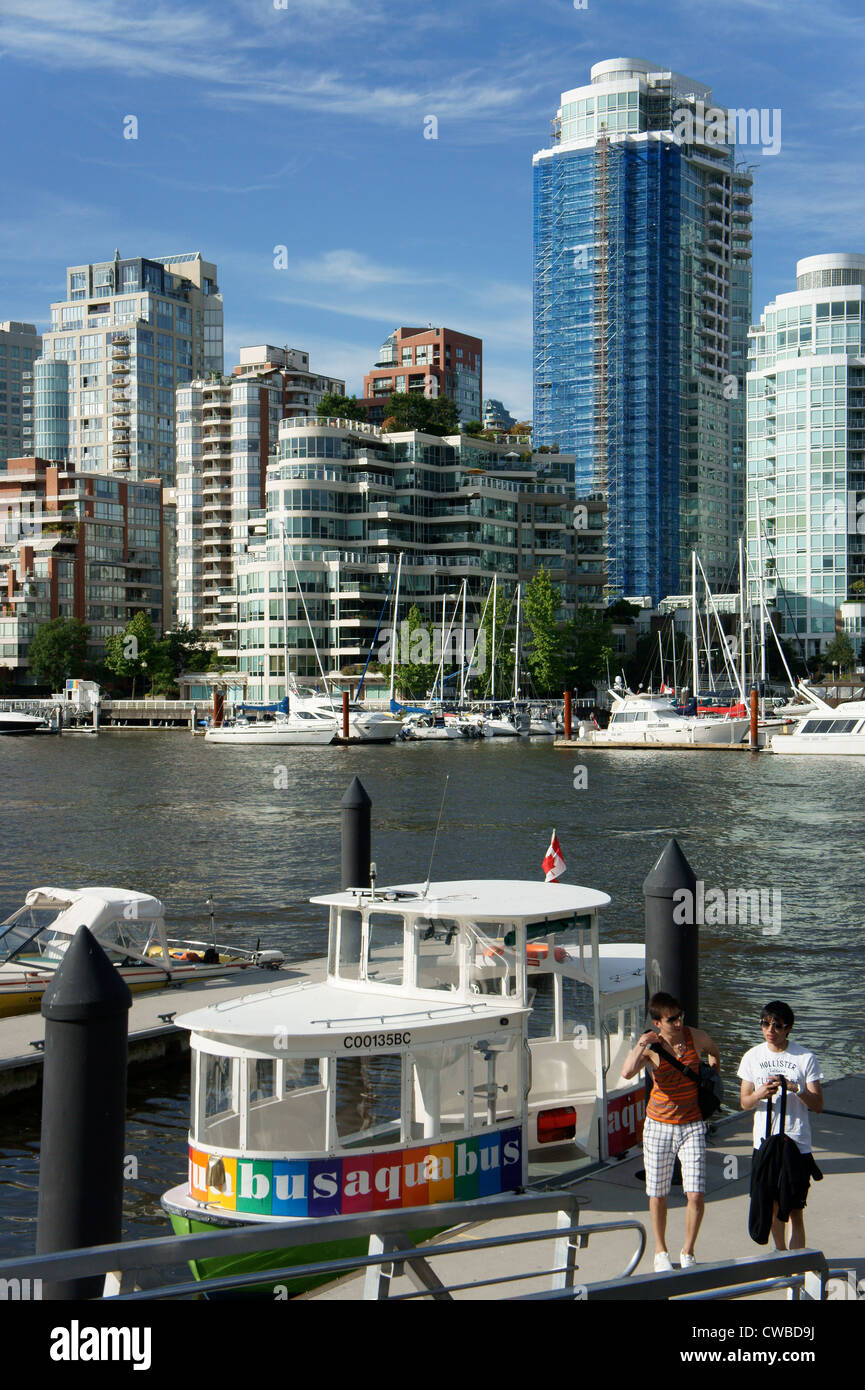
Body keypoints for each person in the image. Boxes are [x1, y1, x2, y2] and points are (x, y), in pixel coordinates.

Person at [622, 991, 721, 1272]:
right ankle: (660, 1250)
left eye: (680, 1017)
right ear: (657, 1023)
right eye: (671, 1020)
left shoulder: (694, 1036)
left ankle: (688, 1251)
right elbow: (627, 1072)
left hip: (692, 1124)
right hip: (659, 1126)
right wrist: (641, 1044)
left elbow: (714, 1050)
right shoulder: (652, 1047)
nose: (678, 1024)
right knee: (658, 1192)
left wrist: (713, 1074)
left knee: (696, 1193)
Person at [738, 1000, 824, 1249]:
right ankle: (781, 1257)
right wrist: (759, 1094)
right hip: (764, 1143)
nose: (770, 1030)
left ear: (788, 1028)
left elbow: (817, 1104)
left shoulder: (805, 1057)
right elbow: (744, 1102)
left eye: (777, 1025)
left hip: (796, 1142)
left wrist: (795, 1088)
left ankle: (796, 1265)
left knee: (795, 1209)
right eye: (765, 1024)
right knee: (771, 1204)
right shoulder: (752, 1057)